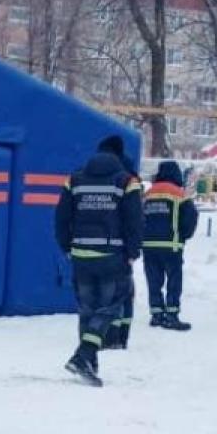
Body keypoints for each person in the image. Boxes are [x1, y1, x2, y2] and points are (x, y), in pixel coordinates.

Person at [54, 145, 143, 386]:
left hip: (81, 254)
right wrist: (133, 251)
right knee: (110, 306)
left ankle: (90, 362)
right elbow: (134, 219)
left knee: (87, 308)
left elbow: (61, 216)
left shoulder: (74, 180)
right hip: (112, 254)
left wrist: (66, 246)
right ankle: (84, 355)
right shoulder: (126, 182)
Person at [142, 160, 199, 331]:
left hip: (149, 245)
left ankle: (156, 314)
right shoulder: (179, 195)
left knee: (154, 280)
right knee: (174, 280)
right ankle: (172, 315)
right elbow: (190, 217)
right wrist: (184, 235)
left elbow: (138, 217)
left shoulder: (148, 194)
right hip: (171, 245)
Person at [96, 135, 141, 349]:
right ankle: (121, 336)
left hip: (102, 242)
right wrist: (133, 249)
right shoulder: (131, 176)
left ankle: (108, 335)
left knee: (105, 291)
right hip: (122, 244)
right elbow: (135, 217)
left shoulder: (98, 173)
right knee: (124, 291)